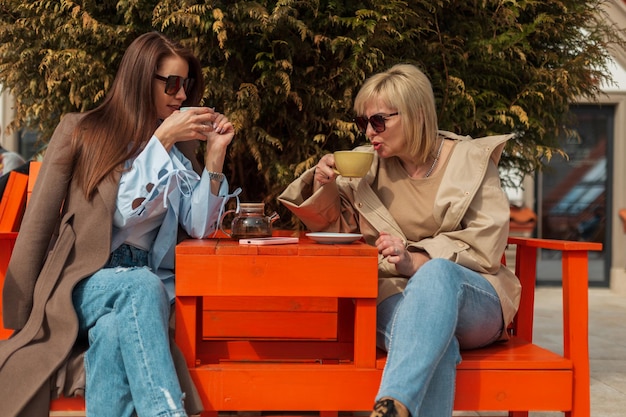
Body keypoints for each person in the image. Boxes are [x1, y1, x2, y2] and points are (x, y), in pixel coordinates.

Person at [0, 31, 240, 417]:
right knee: (139, 285)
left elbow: (198, 227)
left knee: (113, 332)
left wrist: (214, 158)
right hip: (83, 280)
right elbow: (110, 212)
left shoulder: (179, 155)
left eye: (187, 85)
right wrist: (22, 307)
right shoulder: (85, 130)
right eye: (173, 83)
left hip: (147, 286)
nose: (181, 95)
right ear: (141, 79)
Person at [278, 64, 521, 417]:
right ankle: (394, 407)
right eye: (363, 123)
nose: (369, 132)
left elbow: (486, 243)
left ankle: (391, 401)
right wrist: (323, 185)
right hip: (392, 293)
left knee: (436, 273)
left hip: (473, 295)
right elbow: (336, 231)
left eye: (378, 121)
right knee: (439, 345)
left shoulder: (469, 160)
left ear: (417, 114)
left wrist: (416, 260)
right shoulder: (367, 167)